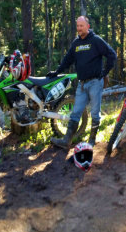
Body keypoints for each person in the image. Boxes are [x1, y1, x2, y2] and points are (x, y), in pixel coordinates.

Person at [47, 16, 117, 149]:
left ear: (88, 26)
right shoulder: (76, 43)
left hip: (95, 82)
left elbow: (112, 55)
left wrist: (105, 72)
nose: (79, 28)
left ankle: (92, 140)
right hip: (82, 84)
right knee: (76, 112)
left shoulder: (96, 40)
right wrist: (56, 72)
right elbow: (67, 60)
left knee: (95, 113)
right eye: (78, 26)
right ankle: (66, 140)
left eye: (81, 26)